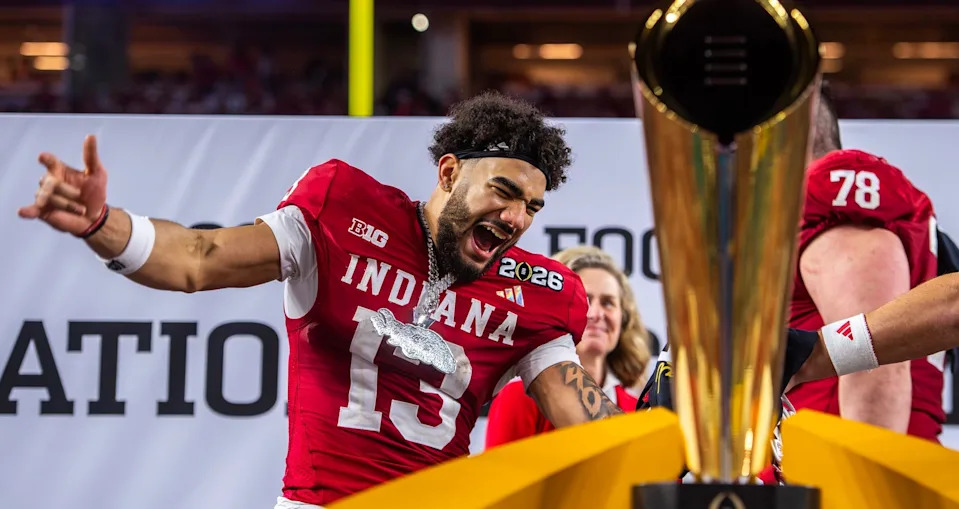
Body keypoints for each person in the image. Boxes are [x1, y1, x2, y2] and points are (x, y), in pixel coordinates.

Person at [17, 91, 623, 508]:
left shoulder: (537, 291)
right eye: (503, 191)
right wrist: (102, 222)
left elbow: (591, 428)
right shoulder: (342, 207)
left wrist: (669, 433)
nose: (517, 218)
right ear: (446, 174)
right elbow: (198, 260)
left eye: (533, 208)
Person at [786, 89, 946, 441]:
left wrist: (863, 487)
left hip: (842, 477)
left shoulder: (829, 189)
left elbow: (876, 360)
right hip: (816, 470)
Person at [485, 246, 650, 447]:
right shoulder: (520, 396)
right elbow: (502, 477)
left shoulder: (635, 410)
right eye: (585, 300)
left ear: (624, 318)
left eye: (608, 302)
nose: (596, 313)